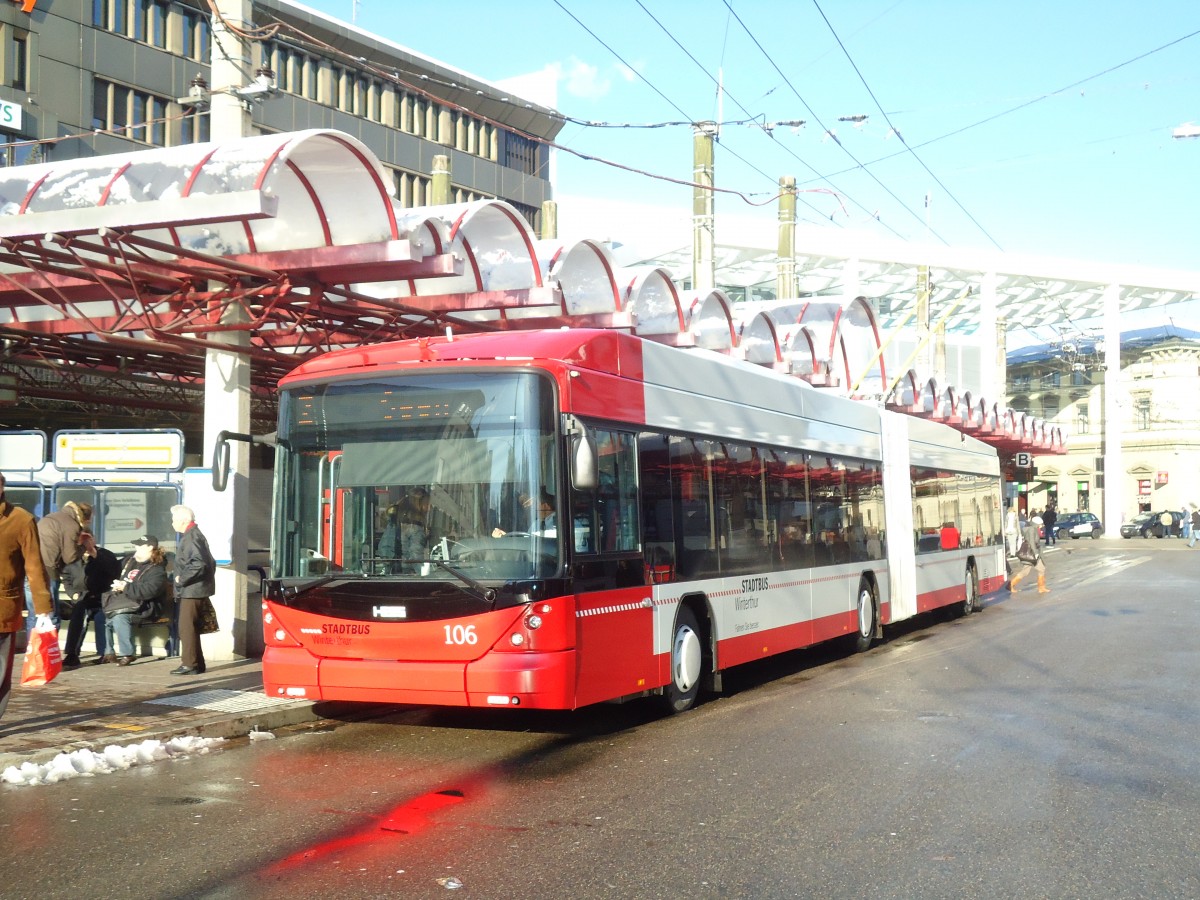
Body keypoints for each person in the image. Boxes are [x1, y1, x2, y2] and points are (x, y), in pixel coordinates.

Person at [0, 474, 54, 722]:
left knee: (0, 670)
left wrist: (43, 608)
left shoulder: (21, 520)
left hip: (3, 607)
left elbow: (34, 566)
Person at [26, 499, 92, 636]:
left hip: (30, 570)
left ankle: (32, 654)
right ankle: (49, 655)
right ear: (85, 518)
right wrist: (84, 546)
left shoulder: (50, 517)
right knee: (51, 615)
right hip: (48, 573)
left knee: (35, 615)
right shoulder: (71, 525)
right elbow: (70, 557)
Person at [102, 534, 169, 666]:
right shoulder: (129, 561)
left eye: (140, 546)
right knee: (104, 614)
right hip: (128, 603)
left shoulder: (157, 569)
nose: (136, 548)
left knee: (119, 617)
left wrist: (125, 587)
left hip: (147, 608)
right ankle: (109, 652)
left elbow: (149, 591)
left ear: (150, 548)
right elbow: (110, 568)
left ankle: (127, 654)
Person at [61, 531, 123, 669]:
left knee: (101, 617)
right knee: (79, 614)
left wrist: (95, 555)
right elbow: (66, 578)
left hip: (104, 597)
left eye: (87, 540)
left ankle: (105, 653)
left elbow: (114, 572)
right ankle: (72, 654)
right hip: (83, 597)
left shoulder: (105, 555)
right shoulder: (72, 557)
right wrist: (73, 594)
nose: (84, 544)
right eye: (81, 540)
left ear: (93, 540)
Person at [170, 505, 216, 676]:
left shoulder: (191, 538)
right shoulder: (194, 535)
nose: (172, 523)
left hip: (192, 590)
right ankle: (196, 663)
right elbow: (209, 562)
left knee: (186, 627)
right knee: (191, 627)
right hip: (196, 588)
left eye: (174, 520)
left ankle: (189, 663)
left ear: (183, 521)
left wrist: (182, 579)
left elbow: (199, 563)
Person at [1009, 514, 1050, 594]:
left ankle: (1041, 587)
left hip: (1031, 553)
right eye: (1040, 524)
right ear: (1037, 523)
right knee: (1039, 569)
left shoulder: (1032, 529)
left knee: (1029, 571)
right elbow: (1031, 541)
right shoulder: (1032, 529)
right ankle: (1041, 588)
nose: (1041, 525)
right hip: (1032, 553)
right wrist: (1036, 553)